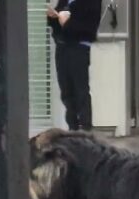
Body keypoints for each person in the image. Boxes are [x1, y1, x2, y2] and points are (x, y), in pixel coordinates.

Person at [47, 0, 103, 131]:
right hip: (63, 45)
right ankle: (72, 128)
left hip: (79, 47)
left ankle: (85, 129)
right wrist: (52, 17)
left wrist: (66, 23)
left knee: (80, 90)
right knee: (66, 90)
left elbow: (89, 26)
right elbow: (58, 23)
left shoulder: (90, 3)